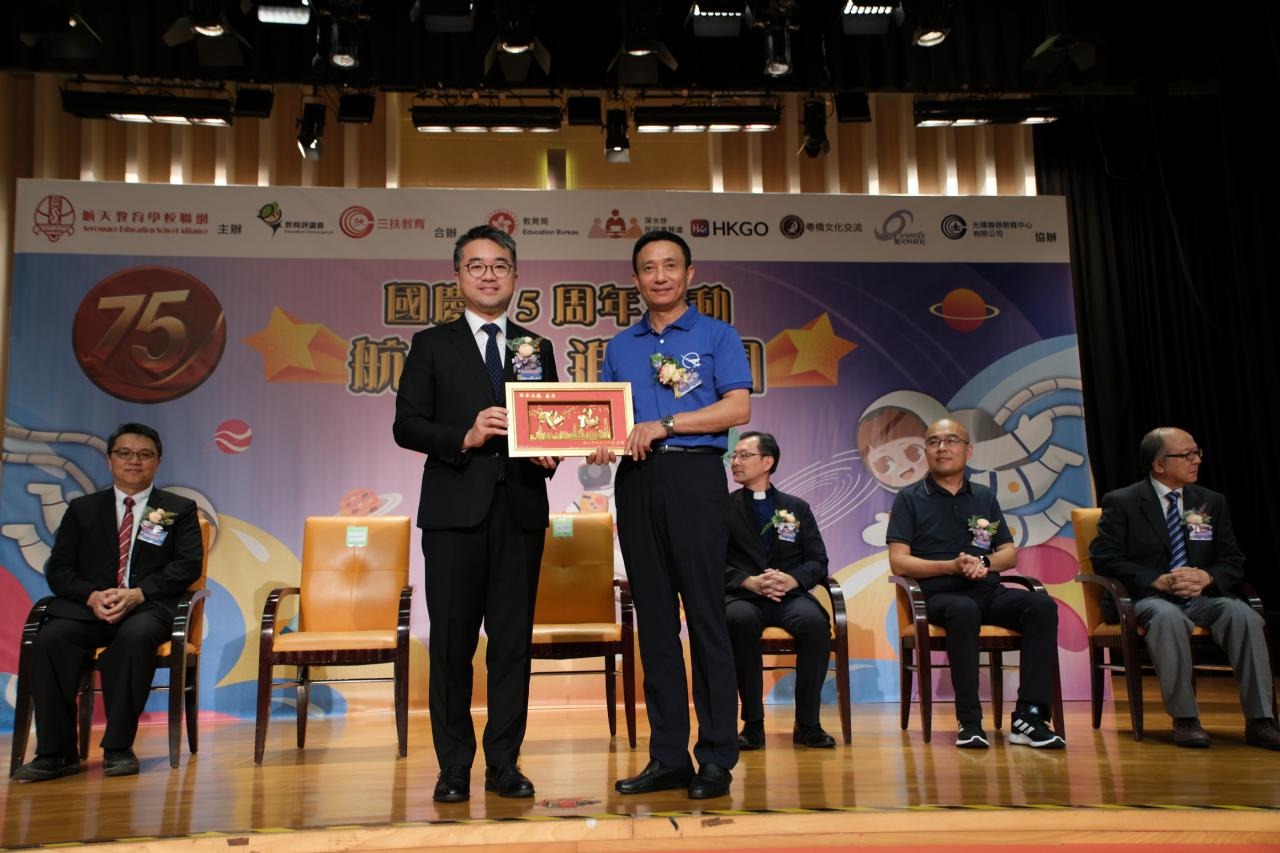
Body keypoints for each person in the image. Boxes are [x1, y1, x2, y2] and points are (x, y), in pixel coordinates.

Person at [393, 225, 560, 802]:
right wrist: (463, 436)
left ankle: (505, 763)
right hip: (453, 514)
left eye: (499, 266)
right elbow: (406, 425)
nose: (489, 275)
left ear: (515, 276)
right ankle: (454, 767)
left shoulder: (536, 347)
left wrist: (552, 452)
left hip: (520, 510)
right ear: (458, 276)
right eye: (476, 266)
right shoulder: (431, 345)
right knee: (451, 645)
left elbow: (550, 424)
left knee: (512, 646)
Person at [587, 229, 751, 799]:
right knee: (654, 622)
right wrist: (597, 440)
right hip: (636, 482)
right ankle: (668, 757)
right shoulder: (619, 347)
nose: (660, 276)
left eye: (670, 265)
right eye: (649, 268)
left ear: (689, 273)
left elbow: (738, 407)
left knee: (706, 617)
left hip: (695, 478)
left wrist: (667, 425)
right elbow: (606, 418)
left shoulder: (717, 335)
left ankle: (716, 757)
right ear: (635, 278)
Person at [13, 423, 203, 782]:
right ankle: (56, 753)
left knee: (136, 637)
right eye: (125, 453)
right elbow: (59, 569)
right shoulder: (83, 509)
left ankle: (118, 747)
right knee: (51, 639)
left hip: (147, 606)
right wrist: (91, 596)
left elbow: (187, 565)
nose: (134, 461)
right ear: (110, 460)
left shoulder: (178, 509)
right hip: (90, 608)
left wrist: (137, 593)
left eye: (145, 454)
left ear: (158, 462)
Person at [1089, 426, 1280, 749]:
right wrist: (1155, 579)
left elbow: (1232, 559)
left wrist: (1207, 577)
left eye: (1197, 453)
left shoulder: (1209, 502)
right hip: (1148, 597)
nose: (1196, 460)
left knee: (1244, 615)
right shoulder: (1123, 502)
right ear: (1158, 464)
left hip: (1202, 597)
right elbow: (1105, 558)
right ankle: (1186, 718)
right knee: (1168, 617)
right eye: (1187, 455)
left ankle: (1261, 719)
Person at [886, 418, 1064, 750]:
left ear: (968, 451)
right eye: (933, 442)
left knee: (1040, 605)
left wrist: (984, 564)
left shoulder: (984, 496)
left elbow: (1008, 554)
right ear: (926, 451)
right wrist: (950, 566)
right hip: (938, 596)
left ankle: (1029, 717)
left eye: (951, 440)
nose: (942, 448)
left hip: (988, 592)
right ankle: (969, 721)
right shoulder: (909, 498)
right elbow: (899, 561)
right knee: (963, 609)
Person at [724, 431, 836, 751]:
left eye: (744, 455)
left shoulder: (796, 508)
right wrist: (747, 581)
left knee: (815, 625)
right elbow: (709, 561)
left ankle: (808, 723)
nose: (735, 461)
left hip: (789, 597)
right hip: (744, 596)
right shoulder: (722, 508)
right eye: (734, 456)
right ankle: (753, 723)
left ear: (767, 462)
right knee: (739, 621)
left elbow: (818, 561)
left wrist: (791, 580)